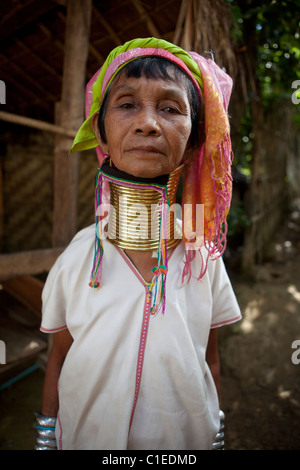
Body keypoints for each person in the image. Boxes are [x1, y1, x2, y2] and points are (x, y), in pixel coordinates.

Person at [35, 37, 241, 451]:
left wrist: (214, 436)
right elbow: (58, 357)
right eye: (127, 104)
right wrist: (45, 439)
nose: (147, 123)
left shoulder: (202, 259)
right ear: (101, 133)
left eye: (170, 109)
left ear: (196, 138)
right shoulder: (78, 258)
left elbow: (210, 359)